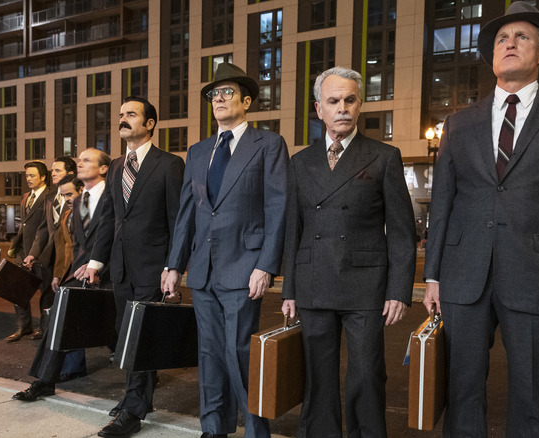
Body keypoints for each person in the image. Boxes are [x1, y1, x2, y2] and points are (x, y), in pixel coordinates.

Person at [422, 3, 539, 436]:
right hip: (464, 276)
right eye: (502, 39)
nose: (509, 43)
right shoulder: (458, 123)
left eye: (522, 37)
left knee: (533, 395)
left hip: (538, 275)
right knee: (461, 391)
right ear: (492, 57)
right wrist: (432, 275)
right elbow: (443, 202)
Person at [281, 66, 416, 438]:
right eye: (333, 101)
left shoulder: (384, 156)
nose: (342, 107)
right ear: (319, 109)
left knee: (367, 374)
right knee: (318, 377)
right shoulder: (300, 161)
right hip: (313, 281)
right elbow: (293, 229)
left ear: (359, 106)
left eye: (350, 100)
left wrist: (399, 290)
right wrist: (289, 289)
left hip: (365, 285)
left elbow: (402, 232)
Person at [162, 63, 289, 438]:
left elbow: (278, 207)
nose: (218, 99)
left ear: (246, 101)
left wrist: (266, 265)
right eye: (213, 94)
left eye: (227, 92)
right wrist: (174, 265)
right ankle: (214, 427)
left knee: (239, 351)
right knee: (209, 353)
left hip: (244, 267)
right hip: (202, 270)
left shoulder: (268, 144)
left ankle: (256, 431)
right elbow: (187, 213)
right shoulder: (198, 151)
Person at [84, 97, 185, 438]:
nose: (123, 119)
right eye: (121, 115)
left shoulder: (169, 164)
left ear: (150, 123)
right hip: (120, 269)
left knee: (140, 336)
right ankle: (139, 397)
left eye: (131, 114)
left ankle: (133, 410)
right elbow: (109, 218)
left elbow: (177, 220)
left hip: (153, 268)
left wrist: (174, 266)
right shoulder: (115, 166)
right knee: (126, 334)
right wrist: (96, 262)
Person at [13, 150, 111, 402]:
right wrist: (66, 274)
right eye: (79, 160)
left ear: (103, 169)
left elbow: (117, 235)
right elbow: (77, 246)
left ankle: (143, 375)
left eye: (86, 160)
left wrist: (97, 265)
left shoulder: (114, 196)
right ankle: (44, 381)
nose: (80, 163)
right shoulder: (78, 203)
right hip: (79, 273)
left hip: (112, 273)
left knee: (119, 328)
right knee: (57, 321)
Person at [25, 156, 77, 340]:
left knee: (66, 296)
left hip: (69, 256)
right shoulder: (49, 197)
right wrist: (33, 253)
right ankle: (46, 329)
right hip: (49, 256)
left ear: (70, 173)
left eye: (57, 170)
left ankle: (63, 332)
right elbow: (43, 229)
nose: (52, 173)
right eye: (52, 170)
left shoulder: (77, 195)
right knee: (47, 293)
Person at [6, 161, 50, 342]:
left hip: (41, 253)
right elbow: (24, 226)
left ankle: (44, 329)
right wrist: (15, 245)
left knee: (45, 293)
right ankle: (24, 327)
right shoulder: (26, 197)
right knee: (18, 290)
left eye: (32, 175)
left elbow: (45, 228)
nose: (28, 179)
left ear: (43, 177)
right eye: (27, 176)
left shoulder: (50, 196)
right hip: (23, 252)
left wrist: (35, 252)